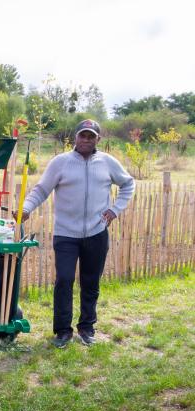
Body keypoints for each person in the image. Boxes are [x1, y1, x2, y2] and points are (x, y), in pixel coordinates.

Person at [21, 119, 135, 348]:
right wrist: (26, 208)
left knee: (90, 282)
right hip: (66, 234)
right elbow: (42, 189)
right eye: (82, 135)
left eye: (91, 136)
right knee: (64, 279)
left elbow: (128, 184)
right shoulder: (60, 163)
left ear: (97, 140)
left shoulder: (107, 162)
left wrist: (114, 209)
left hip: (96, 232)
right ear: (75, 137)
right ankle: (63, 331)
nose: (86, 139)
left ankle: (86, 327)